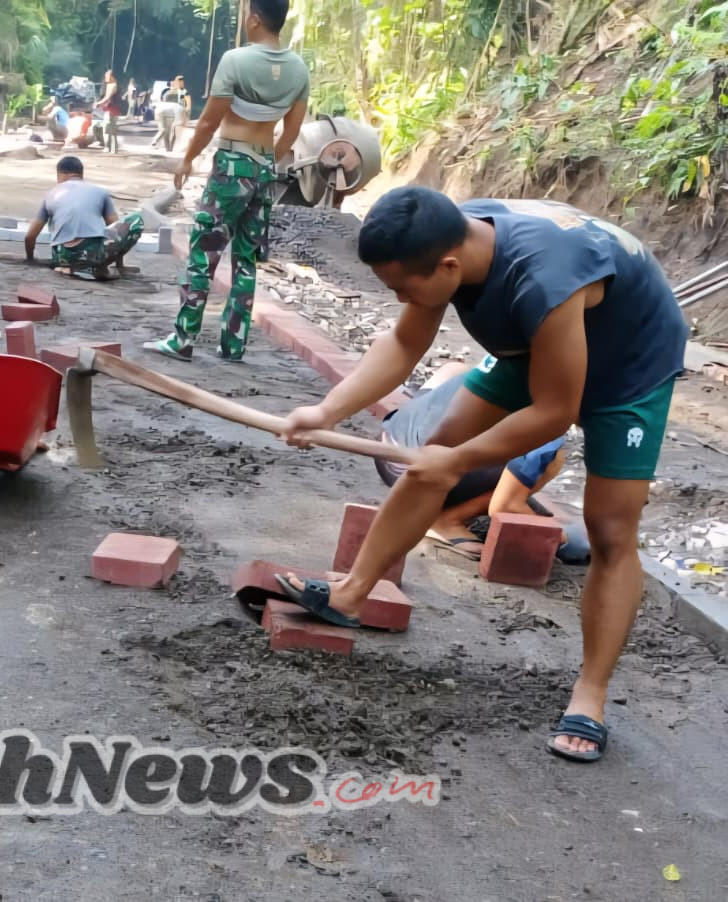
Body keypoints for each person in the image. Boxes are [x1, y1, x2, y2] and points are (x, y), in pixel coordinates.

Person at [277, 188, 689, 764]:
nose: (399, 298)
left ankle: (589, 697)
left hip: (630, 363)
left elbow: (555, 411)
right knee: (435, 455)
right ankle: (349, 595)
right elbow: (403, 342)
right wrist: (326, 411)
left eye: (403, 288)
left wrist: (462, 461)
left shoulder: (541, 279)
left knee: (610, 529)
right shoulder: (448, 235)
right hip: (537, 343)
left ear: (449, 266)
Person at [145, 0, 309, 362]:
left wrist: (187, 159)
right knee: (247, 260)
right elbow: (292, 131)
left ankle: (183, 339)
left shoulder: (236, 60)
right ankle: (233, 344)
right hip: (264, 168)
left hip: (231, 164)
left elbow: (208, 122)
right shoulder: (298, 69)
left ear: (254, 20)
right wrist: (267, 159)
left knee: (203, 253)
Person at [377, 362, 588, 564]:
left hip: (389, 448)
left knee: (455, 369)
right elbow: (503, 506)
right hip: (421, 474)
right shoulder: (546, 420)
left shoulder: (526, 359)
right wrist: (561, 538)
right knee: (550, 458)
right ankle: (446, 520)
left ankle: (502, 485)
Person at [23, 156, 145, 279]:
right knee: (136, 219)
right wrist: (119, 265)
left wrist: (30, 260)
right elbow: (114, 228)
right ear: (81, 174)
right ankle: (96, 266)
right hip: (94, 254)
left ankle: (70, 266)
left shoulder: (50, 194)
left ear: (59, 174)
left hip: (62, 257)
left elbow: (30, 237)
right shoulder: (100, 192)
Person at [93, 69, 124, 154]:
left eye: (107, 75)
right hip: (112, 109)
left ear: (112, 76)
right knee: (110, 130)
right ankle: (112, 149)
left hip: (111, 110)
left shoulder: (112, 85)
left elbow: (107, 97)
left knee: (108, 130)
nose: (106, 76)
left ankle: (109, 148)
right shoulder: (111, 84)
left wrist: (98, 103)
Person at [150, 82, 185, 153]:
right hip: (170, 111)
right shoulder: (179, 98)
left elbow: (162, 100)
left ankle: (161, 145)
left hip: (160, 110)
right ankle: (169, 149)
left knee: (164, 130)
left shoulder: (166, 92)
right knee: (171, 132)